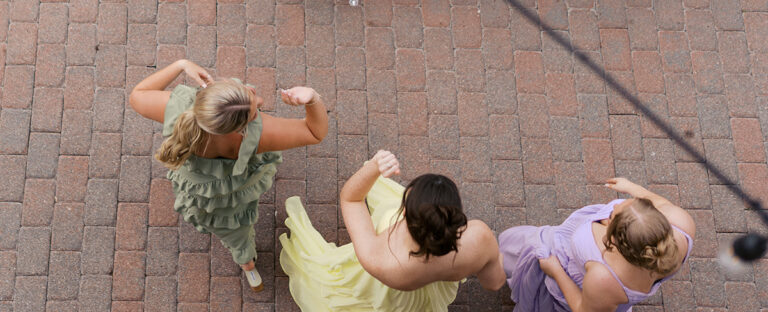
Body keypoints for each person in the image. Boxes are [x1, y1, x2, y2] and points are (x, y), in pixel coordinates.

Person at [128, 58, 328, 292]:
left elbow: (138, 94)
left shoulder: (180, 108)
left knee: (227, 228)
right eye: (254, 112)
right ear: (241, 128)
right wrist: (312, 99)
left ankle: (246, 260)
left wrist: (181, 64)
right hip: (233, 193)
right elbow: (315, 133)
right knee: (238, 231)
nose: (253, 91)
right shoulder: (260, 136)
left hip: (200, 190)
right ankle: (247, 263)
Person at [279, 150, 507, 311]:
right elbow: (494, 283)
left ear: (406, 213)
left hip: (398, 297)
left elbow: (351, 200)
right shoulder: (480, 237)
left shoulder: (381, 259)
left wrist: (374, 167)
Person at [499, 177, 696, 312]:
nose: (616, 204)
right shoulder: (681, 224)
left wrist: (555, 271)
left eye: (612, 215)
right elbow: (658, 201)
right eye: (630, 201)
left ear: (615, 242)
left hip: (562, 272)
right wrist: (633, 188)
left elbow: (582, 308)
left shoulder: (604, 280)